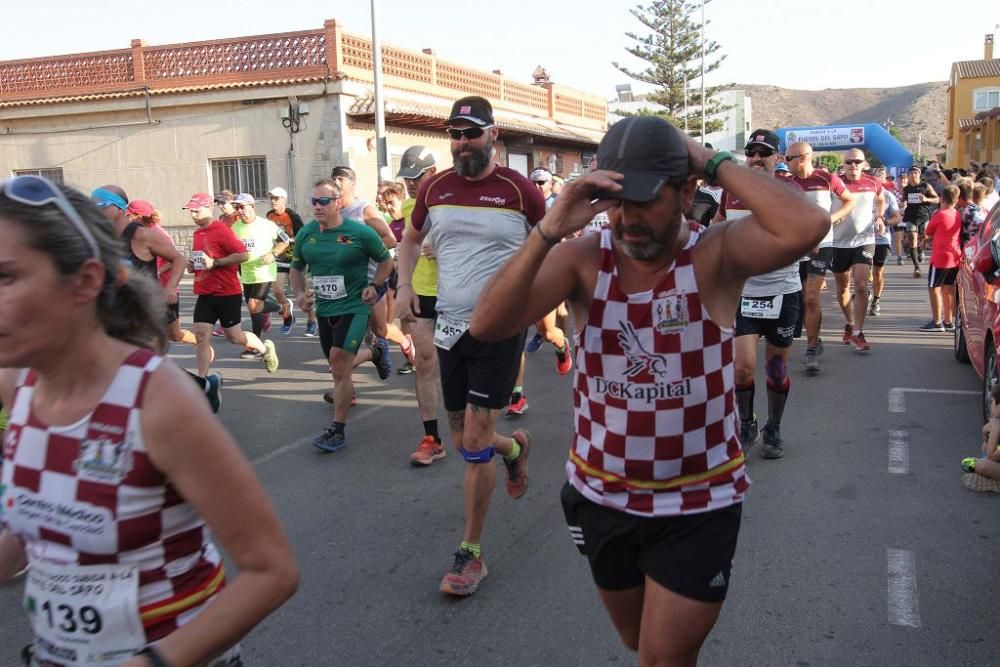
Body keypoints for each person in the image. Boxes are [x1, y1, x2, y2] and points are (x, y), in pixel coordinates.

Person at [469, 116, 828, 666]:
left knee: (660, 659)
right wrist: (547, 230)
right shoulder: (586, 258)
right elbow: (488, 325)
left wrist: (706, 158)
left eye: (645, 200)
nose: (627, 220)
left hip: (699, 502)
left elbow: (806, 224)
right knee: (641, 641)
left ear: (687, 192)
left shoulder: (716, 254)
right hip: (600, 497)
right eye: (615, 202)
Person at [0, 175, 298, 667]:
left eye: (7, 277)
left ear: (86, 281)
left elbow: (272, 571)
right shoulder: (19, 387)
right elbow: (31, 528)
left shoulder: (157, 399)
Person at [396, 95, 542, 596]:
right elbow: (410, 240)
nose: (462, 143)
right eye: (455, 135)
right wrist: (405, 285)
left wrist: (542, 308)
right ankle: (514, 448)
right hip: (449, 325)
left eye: (471, 133)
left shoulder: (520, 191)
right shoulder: (435, 188)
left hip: (500, 328)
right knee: (463, 443)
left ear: (492, 135)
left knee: (473, 443)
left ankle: (471, 554)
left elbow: (551, 246)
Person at [716, 129, 804, 459]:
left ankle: (775, 427)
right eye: (751, 152)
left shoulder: (792, 192)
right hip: (744, 291)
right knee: (742, 367)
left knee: (777, 370)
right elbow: (719, 226)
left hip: (783, 291)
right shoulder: (732, 191)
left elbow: (806, 234)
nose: (755, 158)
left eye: (763, 152)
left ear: (777, 158)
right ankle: (746, 422)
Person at [290, 179, 394, 453]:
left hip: (355, 307)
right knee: (338, 368)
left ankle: (337, 429)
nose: (317, 206)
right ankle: (375, 353)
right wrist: (300, 294)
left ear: (337, 203)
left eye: (323, 201)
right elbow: (296, 268)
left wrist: (375, 286)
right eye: (314, 201)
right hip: (325, 309)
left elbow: (387, 260)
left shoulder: (359, 233)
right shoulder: (307, 234)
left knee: (338, 364)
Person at [185, 192, 279, 376]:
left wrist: (216, 263)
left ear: (208, 208)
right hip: (205, 293)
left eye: (197, 210)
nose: (193, 214)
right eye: (190, 211)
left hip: (226, 292)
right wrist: (193, 266)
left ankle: (266, 350)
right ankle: (202, 380)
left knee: (235, 337)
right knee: (202, 335)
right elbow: (204, 261)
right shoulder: (197, 233)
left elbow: (242, 255)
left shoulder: (222, 230)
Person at [395, 146, 447, 465]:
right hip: (424, 292)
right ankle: (432, 439)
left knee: (466, 368)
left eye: (417, 177)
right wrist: (404, 289)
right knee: (425, 363)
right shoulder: (408, 206)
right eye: (407, 178)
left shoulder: (453, 202)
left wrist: (448, 251)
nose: (412, 184)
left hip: (459, 294)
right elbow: (407, 247)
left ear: (433, 172)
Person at [785, 141, 855, 374]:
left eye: (789, 158)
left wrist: (832, 218)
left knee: (812, 297)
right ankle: (814, 338)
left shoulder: (826, 178)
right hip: (795, 247)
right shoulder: (785, 182)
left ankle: (812, 348)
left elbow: (849, 201)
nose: (786, 163)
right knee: (800, 299)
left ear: (803, 157)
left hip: (821, 245)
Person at [830, 149, 885, 353]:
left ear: (865, 164)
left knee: (861, 285)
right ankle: (849, 322)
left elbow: (881, 199)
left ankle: (858, 332)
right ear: (843, 164)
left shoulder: (873, 183)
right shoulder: (834, 183)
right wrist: (834, 215)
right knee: (842, 288)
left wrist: (879, 217)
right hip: (838, 242)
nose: (853, 165)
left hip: (864, 240)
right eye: (849, 162)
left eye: (857, 162)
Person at [265, 186, 307, 335]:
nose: (273, 201)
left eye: (276, 198)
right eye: (271, 198)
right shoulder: (269, 216)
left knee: (303, 292)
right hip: (280, 256)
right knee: (276, 290)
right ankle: (287, 314)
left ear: (284, 200)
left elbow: (303, 236)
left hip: (295, 257)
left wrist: (289, 240)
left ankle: (311, 320)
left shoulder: (292, 216)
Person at [919, 184, 961, 332]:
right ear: (956, 200)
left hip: (940, 257)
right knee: (948, 288)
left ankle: (937, 321)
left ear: (942, 198)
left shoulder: (941, 214)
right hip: (954, 256)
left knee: (934, 288)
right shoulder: (957, 214)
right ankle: (949, 320)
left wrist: (927, 238)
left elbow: (929, 229)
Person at [900, 166, 939, 277]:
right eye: (911, 173)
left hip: (923, 215)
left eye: (915, 173)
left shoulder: (925, 186)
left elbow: (936, 199)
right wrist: (902, 204)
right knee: (912, 239)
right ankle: (917, 268)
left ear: (919, 174)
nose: (913, 175)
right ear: (908, 176)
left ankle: (920, 251)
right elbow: (903, 200)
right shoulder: (906, 189)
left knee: (924, 237)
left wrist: (926, 199)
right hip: (910, 216)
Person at [961, 384, 1000, 492]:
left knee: (982, 465)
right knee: (984, 447)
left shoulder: (998, 423)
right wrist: (986, 432)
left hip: (994, 456)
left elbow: (992, 455)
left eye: (992, 402)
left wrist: (996, 427)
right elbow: (988, 446)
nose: (991, 405)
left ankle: (995, 482)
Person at [870, 185, 901, 316]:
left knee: (878, 272)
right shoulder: (860, 193)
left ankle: (876, 300)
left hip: (881, 240)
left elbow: (897, 217)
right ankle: (864, 291)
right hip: (861, 239)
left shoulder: (888, 196)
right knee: (859, 270)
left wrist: (885, 222)